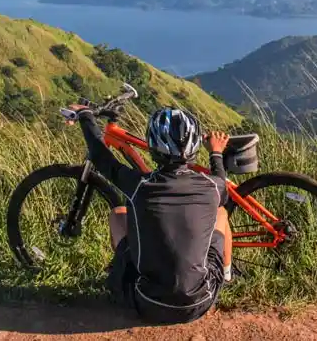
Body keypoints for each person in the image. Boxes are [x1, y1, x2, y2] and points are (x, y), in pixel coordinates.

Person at [68, 104, 233, 324]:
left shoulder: (139, 185)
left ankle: (121, 273)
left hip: (146, 303)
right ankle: (228, 275)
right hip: (200, 302)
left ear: (153, 148)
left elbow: (100, 155)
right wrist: (216, 151)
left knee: (118, 214)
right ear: (194, 148)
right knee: (221, 213)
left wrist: (85, 115)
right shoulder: (212, 187)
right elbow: (221, 181)